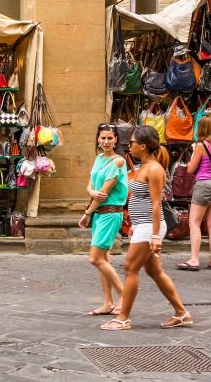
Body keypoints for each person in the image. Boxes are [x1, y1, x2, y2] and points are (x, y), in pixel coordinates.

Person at [101, 126, 192, 331]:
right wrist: (134, 223)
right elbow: (140, 200)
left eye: (132, 143)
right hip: (143, 225)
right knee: (155, 271)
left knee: (130, 268)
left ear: (143, 146)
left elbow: (156, 204)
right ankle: (182, 313)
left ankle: (123, 318)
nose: (129, 146)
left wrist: (155, 235)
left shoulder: (154, 169)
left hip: (150, 227)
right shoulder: (143, 166)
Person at [78, 123, 127, 317]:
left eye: (110, 138)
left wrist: (87, 213)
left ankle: (124, 294)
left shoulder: (118, 162)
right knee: (103, 260)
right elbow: (91, 186)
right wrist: (90, 193)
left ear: (116, 139)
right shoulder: (99, 158)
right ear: (98, 139)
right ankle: (108, 302)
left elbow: (103, 194)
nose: (106, 141)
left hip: (109, 213)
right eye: (103, 138)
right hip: (99, 214)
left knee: (95, 258)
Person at [176, 114, 211, 272]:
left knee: (195, 223)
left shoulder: (200, 146)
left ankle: (194, 259)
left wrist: (193, 153)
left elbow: (190, 169)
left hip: (204, 184)